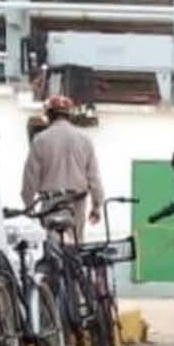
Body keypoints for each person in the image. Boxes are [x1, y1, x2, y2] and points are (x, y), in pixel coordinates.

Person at [21, 95, 105, 244]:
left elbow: (30, 177)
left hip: (51, 203)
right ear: (70, 115)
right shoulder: (85, 140)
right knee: (76, 245)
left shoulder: (40, 140)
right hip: (77, 202)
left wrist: (28, 204)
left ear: (48, 115)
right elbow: (94, 177)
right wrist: (96, 206)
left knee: (53, 246)